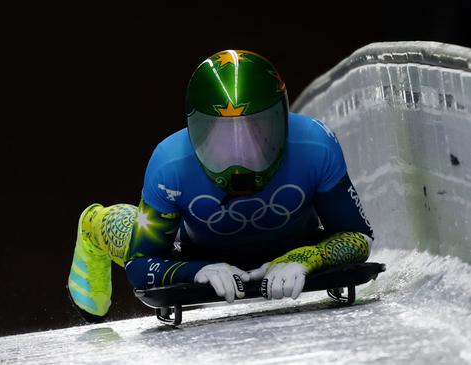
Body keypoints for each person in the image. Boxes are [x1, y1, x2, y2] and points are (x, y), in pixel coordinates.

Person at [67, 50, 374, 322]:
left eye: (257, 130)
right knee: (132, 228)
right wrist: (196, 270)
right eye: (221, 136)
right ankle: (93, 223)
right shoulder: (169, 163)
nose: (240, 153)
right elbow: (140, 262)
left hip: (292, 245)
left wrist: (308, 257)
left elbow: (358, 235)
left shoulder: (315, 144)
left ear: (283, 119)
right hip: (194, 252)